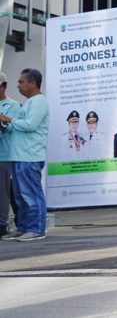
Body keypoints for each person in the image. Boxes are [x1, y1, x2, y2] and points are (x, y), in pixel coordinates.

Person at [0, 68, 50, 241]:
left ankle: (36, 229)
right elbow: (18, 127)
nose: (18, 85)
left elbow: (30, 125)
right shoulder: (28, 102)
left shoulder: (39, 101)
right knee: (20, 196)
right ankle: (23, 227)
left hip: (30, 156)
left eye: (21, 82)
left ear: (33, 83)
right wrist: (6, 124)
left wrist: (8, 119)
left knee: (31, 194)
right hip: (19, 155)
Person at [0, 72, 21, 238]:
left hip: (4, 156)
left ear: (4, 86)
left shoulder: (13, 105)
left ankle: (3, 225)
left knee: (3, 193)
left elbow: (13, 128)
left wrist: (3, 121)